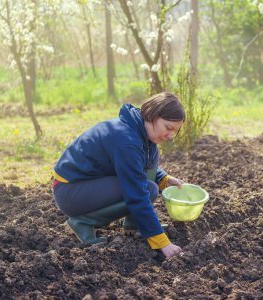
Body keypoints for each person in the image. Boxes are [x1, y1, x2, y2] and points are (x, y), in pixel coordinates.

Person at [52, 92, 185, 258]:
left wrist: (163, 178)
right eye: (168, 128)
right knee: (143, 189)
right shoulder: (126, 139)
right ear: (153, 116)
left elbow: (138, 165)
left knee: (150, 187)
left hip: (89, 184)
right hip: (70, 191)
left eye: (176, 131)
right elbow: (136, 193)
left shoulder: (141, 132)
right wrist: (162, 242)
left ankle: (134, 224)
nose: (171, 136)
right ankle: (82, 222)